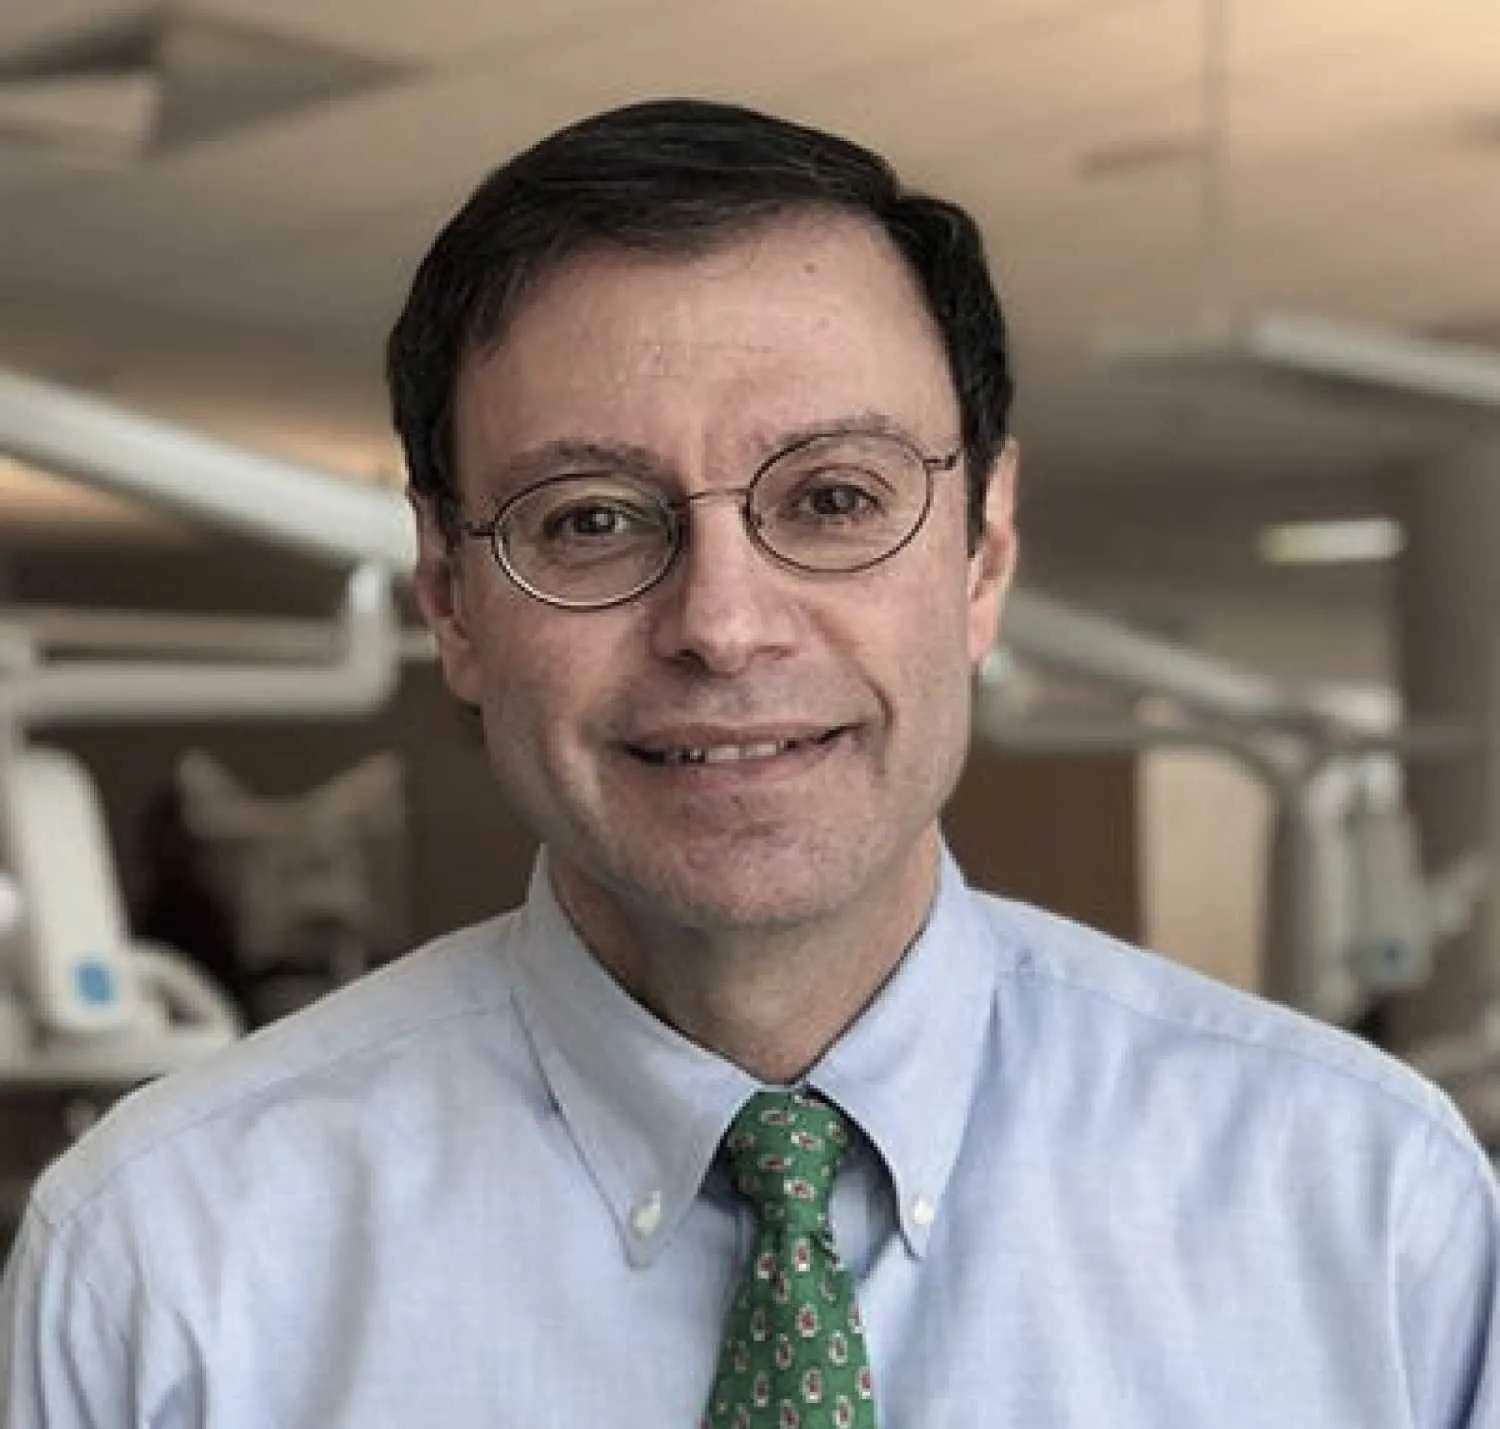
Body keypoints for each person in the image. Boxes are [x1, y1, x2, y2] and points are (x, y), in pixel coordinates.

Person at [2, 98, 1496, 1429]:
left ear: (983, 552)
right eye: (591, 520)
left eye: (834, 498)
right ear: (450, 601)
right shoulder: (166, 1263)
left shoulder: (1368, 1207)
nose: (722, 626)